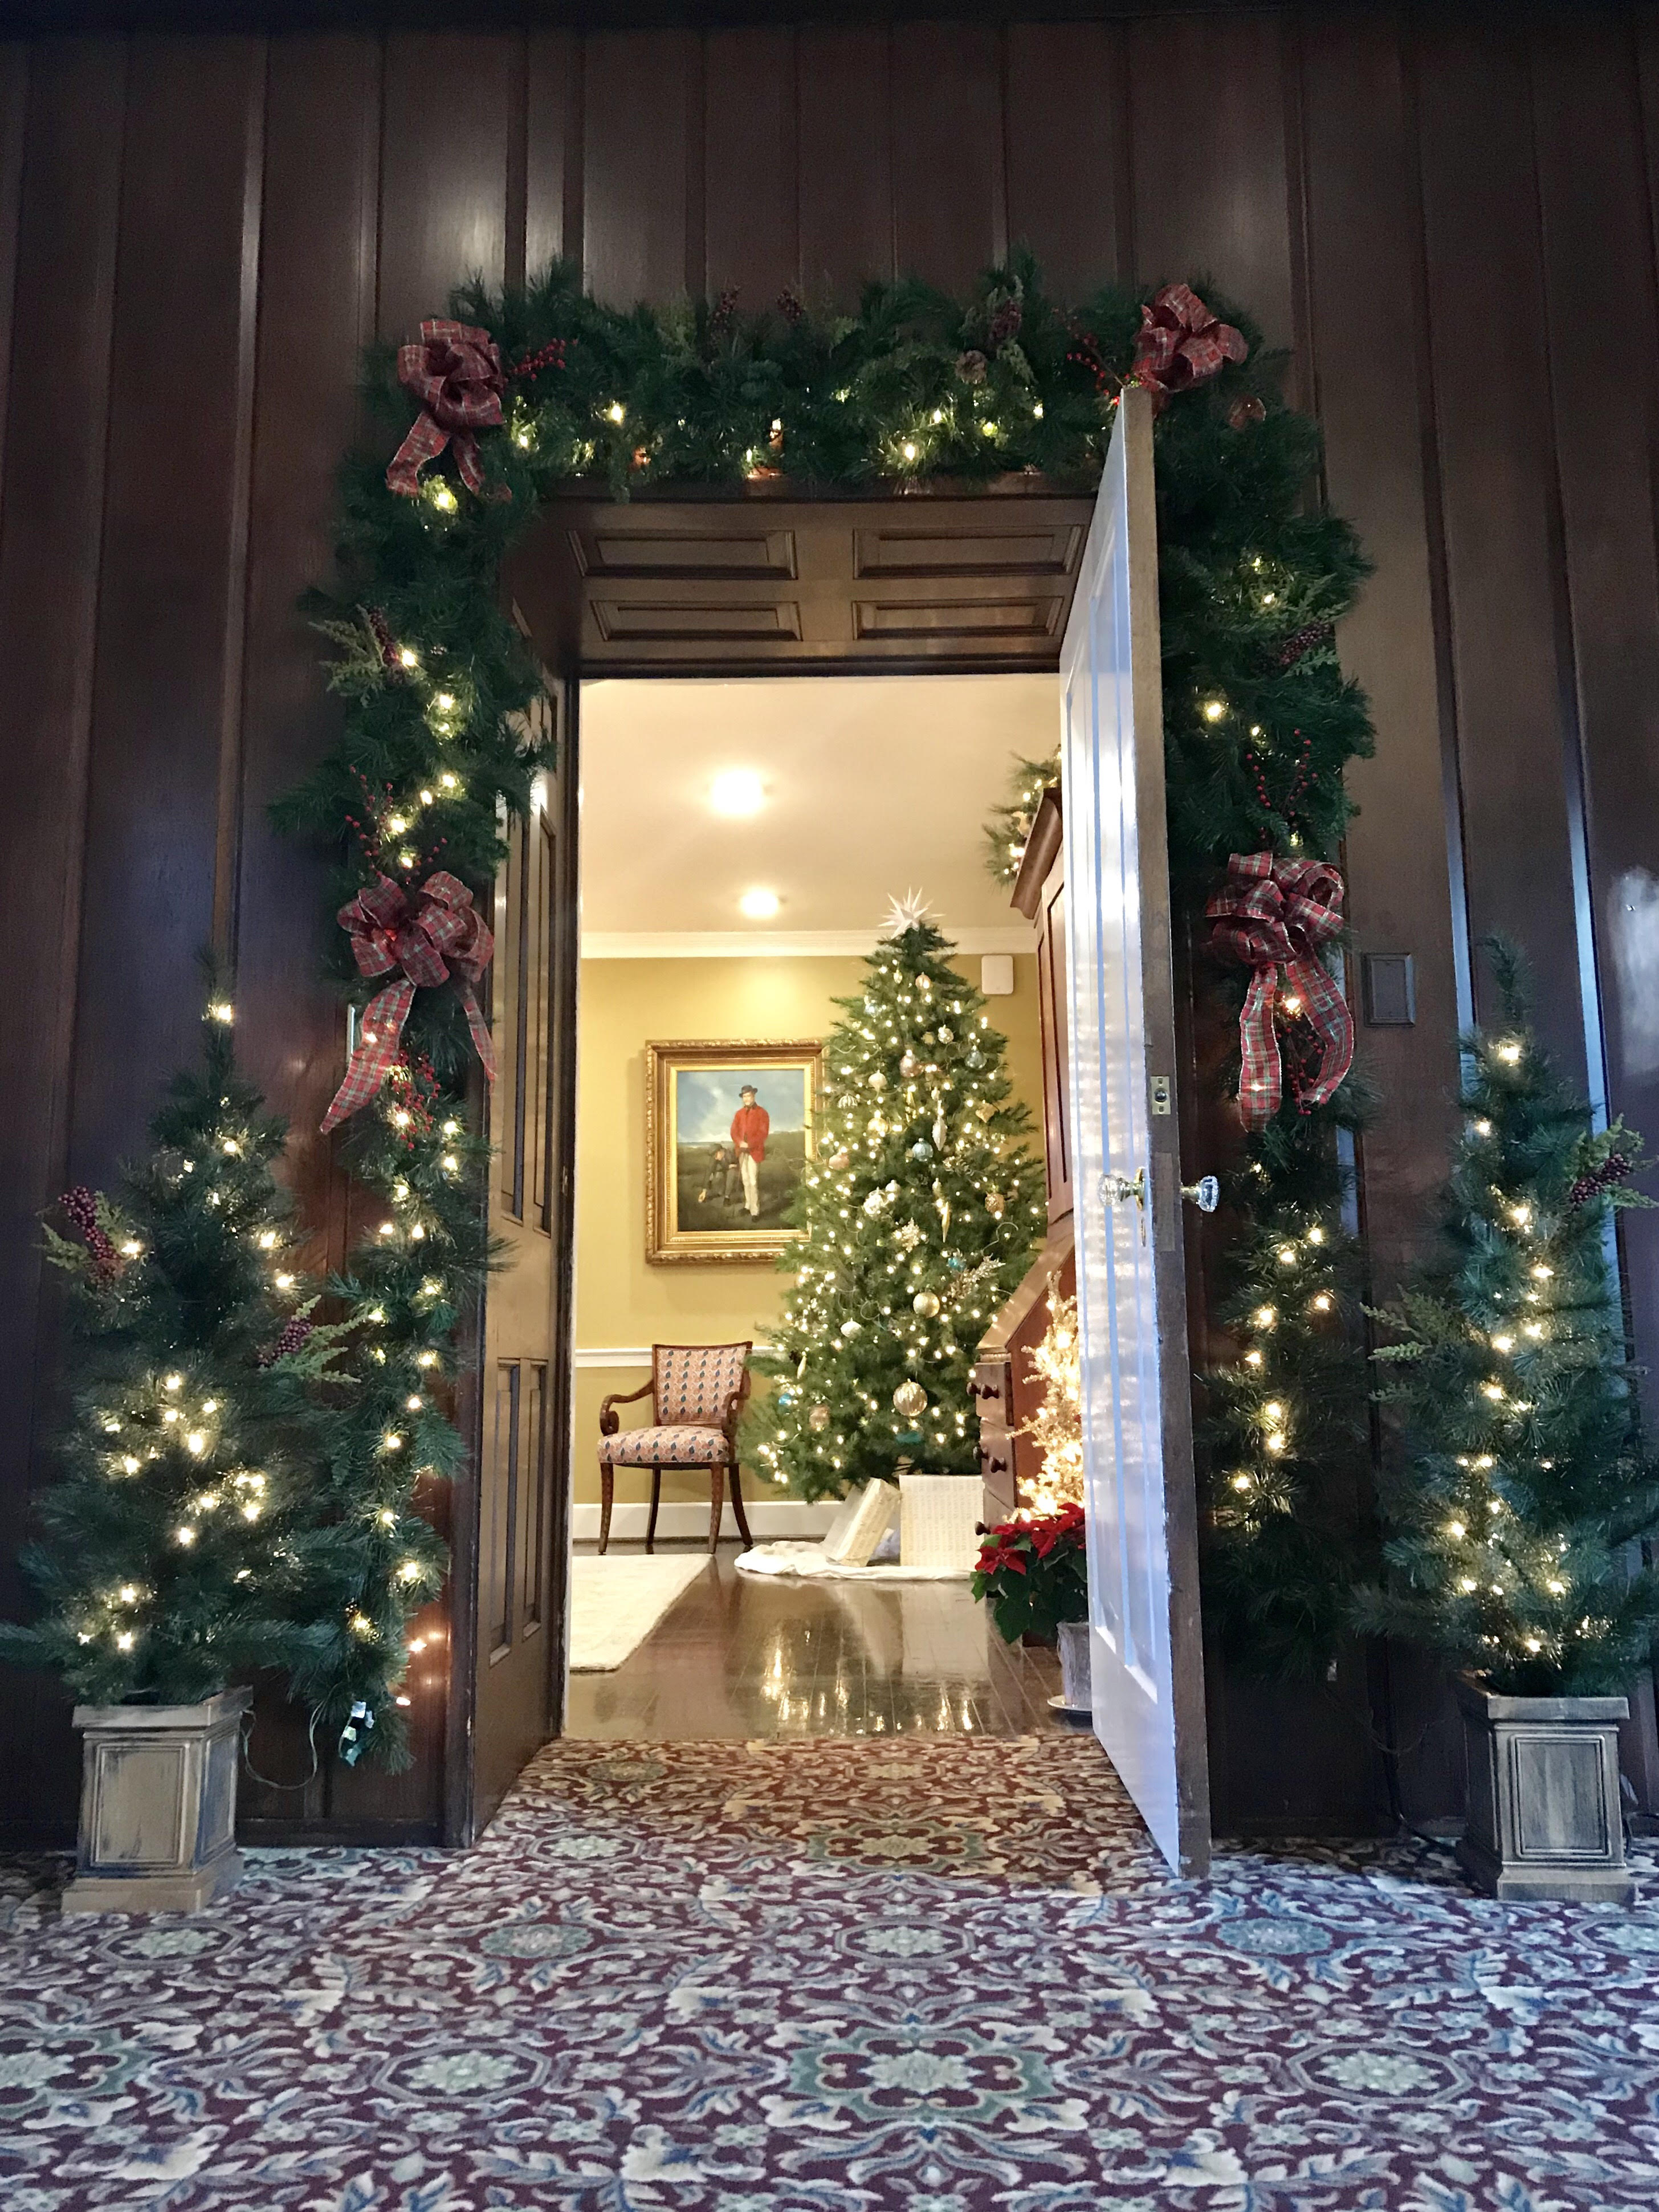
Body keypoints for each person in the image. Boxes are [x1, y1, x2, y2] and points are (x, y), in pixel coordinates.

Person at [730, 1083, 769, 1219]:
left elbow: (763, 1134)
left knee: (753, 1181)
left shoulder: (762, 1113)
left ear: (754, 1096)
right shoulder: (739, 1114)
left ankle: (755, 1211)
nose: (747, 1099)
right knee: (745, 1180)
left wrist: (750, 1144)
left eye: (749, 1096)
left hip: (755, 1152)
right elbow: (734, 1131)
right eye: (744, 1096)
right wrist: (740, 1142)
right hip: (741, 1151)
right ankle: (748, 1205)